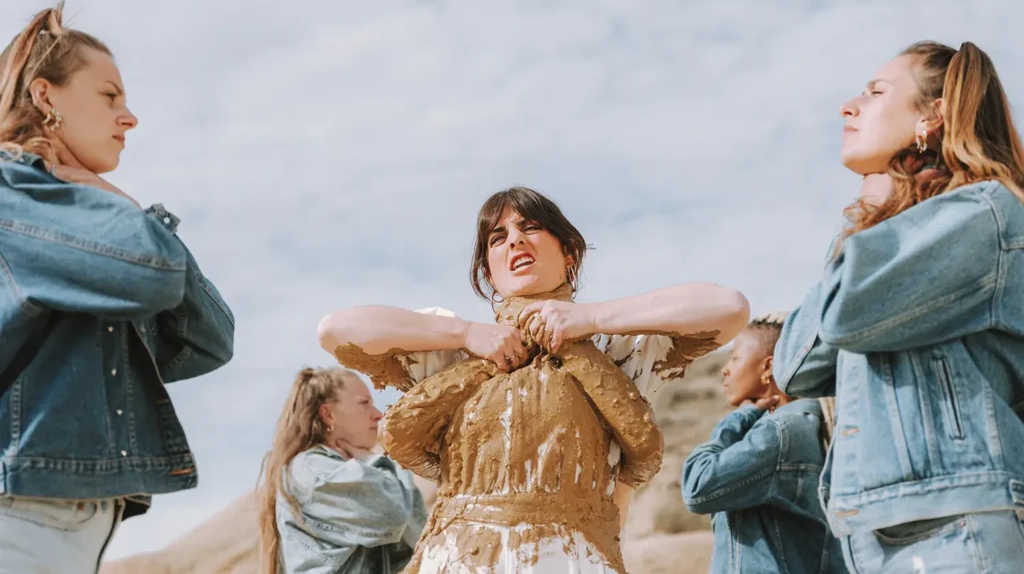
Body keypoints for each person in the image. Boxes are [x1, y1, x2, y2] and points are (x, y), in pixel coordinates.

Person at [317, 186, 750, 573]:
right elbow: (336, 330)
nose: (515, 241)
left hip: (570, 559)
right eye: (497, 238)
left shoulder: (617, 347)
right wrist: (468, 333)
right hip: (457, 559)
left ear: (569, 254)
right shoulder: (452, 348)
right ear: (488, 272)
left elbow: (729, 308)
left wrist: (592, 317)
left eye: (531, 228)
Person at [0, 2, 234, 574]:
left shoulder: (72, 224)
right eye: (110, 96)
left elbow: (209, 339)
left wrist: (122, 207)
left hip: (53, 521)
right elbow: (153, 273)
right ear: (45, 96)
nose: (129, 117)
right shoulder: (11, 189)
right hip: (21, 517)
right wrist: (121, 207)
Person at [774, 41, 1024, 572]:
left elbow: (844, 310)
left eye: (875, 92)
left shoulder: (985, 212)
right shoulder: (898, 235)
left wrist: (868, 213)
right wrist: (876, 215)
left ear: (934, 116)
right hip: (877, 533)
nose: (849, 106)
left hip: (957, 527)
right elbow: (795, 364)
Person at [683, 313, 847, 573]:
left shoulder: (779, 432)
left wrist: (739, 418)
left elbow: (698, 485)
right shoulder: (805, 425)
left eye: (735, 357)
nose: (725, 369)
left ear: (768, 367)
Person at [256, 366, 427, 574]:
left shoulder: (341, 471)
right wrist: (373, 460)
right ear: (328, 415)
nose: (377, 414)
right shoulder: (312, 471)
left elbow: (415, 537)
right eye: (364, 403)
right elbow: (395, 514)